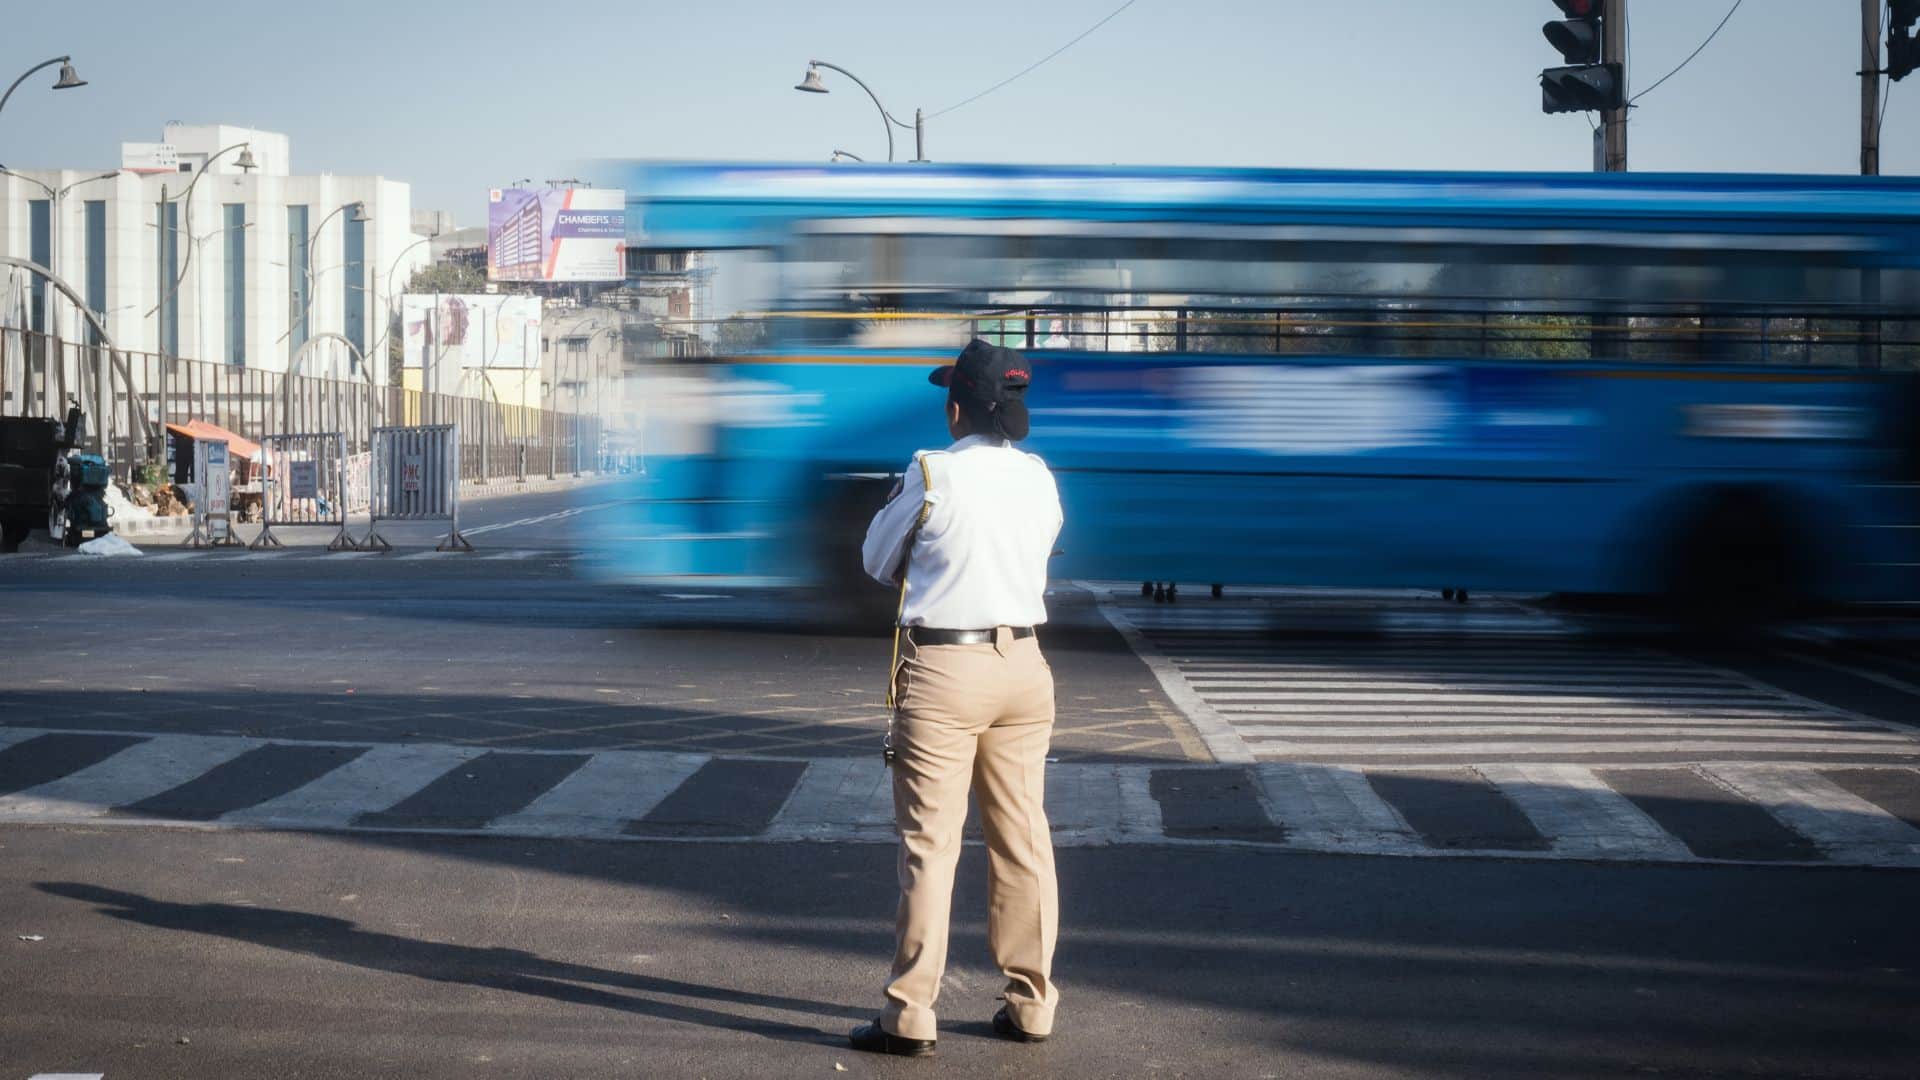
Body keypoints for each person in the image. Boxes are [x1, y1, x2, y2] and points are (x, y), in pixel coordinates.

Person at [848, 339, 1065, 1058]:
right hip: (1025, 666)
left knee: (931, 849)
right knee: (1023, 839)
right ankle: (1031, 1004)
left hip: (946, 670)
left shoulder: (932, 470)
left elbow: (877, 562)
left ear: (954, 410)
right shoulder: (1038, 476)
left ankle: (910, 1014)